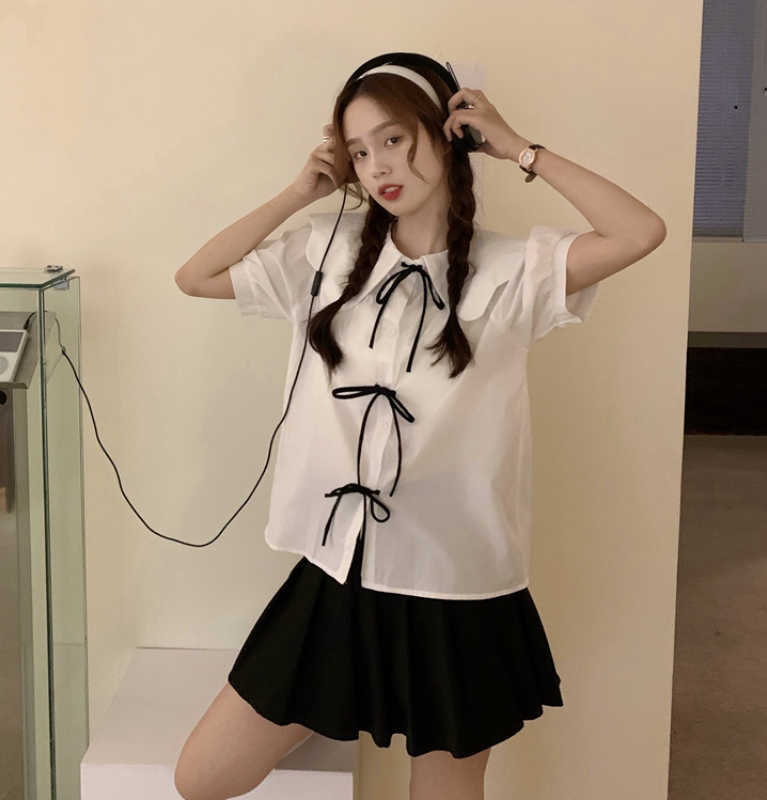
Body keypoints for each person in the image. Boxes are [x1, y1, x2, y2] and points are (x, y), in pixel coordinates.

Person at [173, 57, 666, 800]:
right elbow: (196, 277)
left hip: (457, 585)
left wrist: (519, 149)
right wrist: (299, 193)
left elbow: (641, 231)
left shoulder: (513, 270)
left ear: (447, 134)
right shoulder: (325, 254)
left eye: (394, 139)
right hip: (339, 572)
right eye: (359, 151)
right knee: (202, 777)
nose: (378, 166)